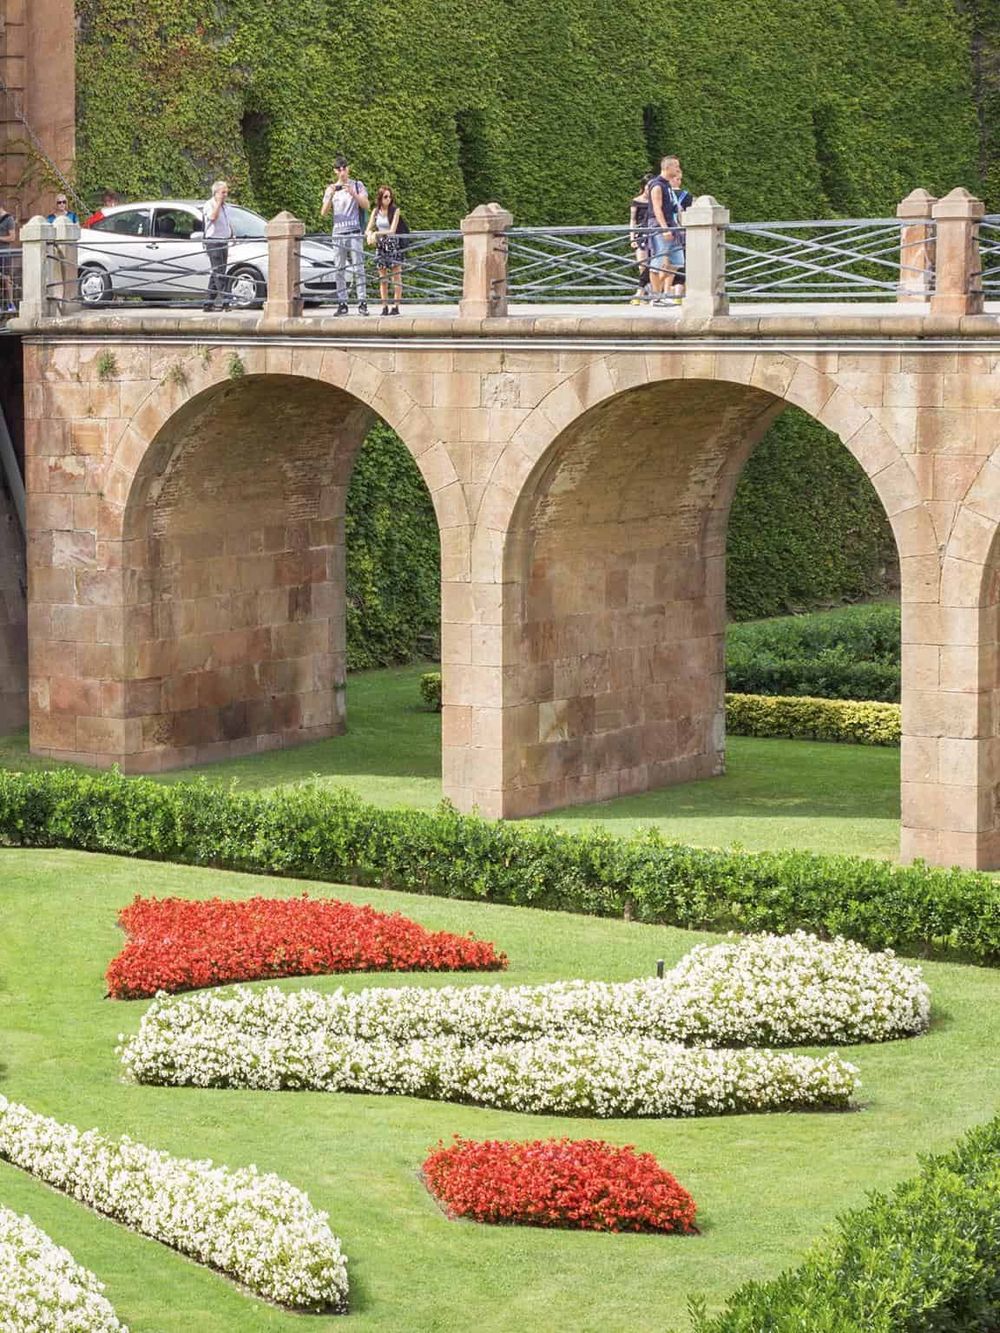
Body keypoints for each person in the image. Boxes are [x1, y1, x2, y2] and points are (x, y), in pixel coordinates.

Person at [321, 155, 370, 316]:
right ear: (335, 171)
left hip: (354, 232)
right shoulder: (331, 188)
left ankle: (362, 302)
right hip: (338, 233)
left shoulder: (357, 185)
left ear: (348, 169)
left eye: (344, 168)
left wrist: (353, 194)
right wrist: (332, 195)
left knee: (358, 268)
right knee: (339, 269)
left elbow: (366, 205)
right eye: (339, 169)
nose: (342, 172)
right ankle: (342, 303)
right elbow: (323, 212)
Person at [647, 155, 692, 305]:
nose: (678, 169)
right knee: (657, 262)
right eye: (676, 166)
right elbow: (657, 209)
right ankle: (656, 296)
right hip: (661, 226)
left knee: (677, 261)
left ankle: (656, 291)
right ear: (667, 167)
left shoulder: (666, 185)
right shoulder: (657, 185)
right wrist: (664, 229)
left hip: (672, 226)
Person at [365, 184, 404, 315]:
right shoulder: (375, 211)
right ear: (380, 198)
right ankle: (384, 306)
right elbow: (368, 228)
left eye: (390, 196)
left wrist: (376, 234)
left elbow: (392, 230)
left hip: (392, 244)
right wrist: (370, 234)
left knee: (396, 277)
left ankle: (396, 306)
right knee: (383, 278)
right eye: (385, 196)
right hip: (380, 246)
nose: (388, 199)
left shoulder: (395, 211)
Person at [201, 179, 234, 311]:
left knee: (218, 272)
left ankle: (208, 303)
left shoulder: (226, 206)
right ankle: (226, 301)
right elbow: (213, 217)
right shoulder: (209, 204)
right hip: (213, 241)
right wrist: (218, 203)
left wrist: (232, 233)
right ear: (216, 193)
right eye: (223, 192)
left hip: (223, 240)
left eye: (226, 192)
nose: (225, 195)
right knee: (219, 272)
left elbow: (227, 222)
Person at [628, 174, 653, 304]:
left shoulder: (656, 201)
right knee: (642, 266)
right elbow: (632, 220)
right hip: (641, 235)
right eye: (648, 187)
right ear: (643, 187)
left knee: (653, 265)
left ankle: (641, 292)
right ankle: (645, 293)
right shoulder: (636, 201)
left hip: (654, 234)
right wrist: (632, 237)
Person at [0, 201, 16, 313]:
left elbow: (12, 237)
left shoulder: (8, 218)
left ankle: (11, 303)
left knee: (6, 279)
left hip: (4, 253)